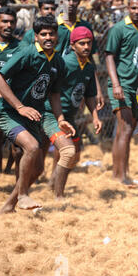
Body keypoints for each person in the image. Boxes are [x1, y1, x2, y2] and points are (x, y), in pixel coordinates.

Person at [0, 15, 75, 213]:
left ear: (57, 36)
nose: (48, 37)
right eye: (43, 34)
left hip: (35, 115)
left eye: (51, 33)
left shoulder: (58, 62)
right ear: (36, 36)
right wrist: (20, 106)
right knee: (32, 147)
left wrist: (61, 118)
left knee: (42, 165)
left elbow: (55, 93)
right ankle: (22, 196)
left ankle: (8, 206)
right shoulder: (27, 53)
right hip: (9, 113)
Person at [41, 26, 102, 198]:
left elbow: (90, 94)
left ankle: (54, 183)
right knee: (59, 154)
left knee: (72, 153)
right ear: (72, 45)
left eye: (89, 43)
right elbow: (52, 90)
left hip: (69, 116)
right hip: (52, 113)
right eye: (81, 43)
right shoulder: (64, 63)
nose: (86, 47)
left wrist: (95, 116)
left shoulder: (89, 67)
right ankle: (57, 195)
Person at [105, 0, 138, 185]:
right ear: (127, 8)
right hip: (122, 85)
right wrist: (116, 84)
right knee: (124, 129)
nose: (137, 11)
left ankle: (121, 172)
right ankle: (120, 176)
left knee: (127, 131)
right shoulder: (119, 29)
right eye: (133, 7)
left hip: (137, 89)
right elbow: (109, 56)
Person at [0, 7, 21, 188]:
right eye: (4, 21)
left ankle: (19, 188)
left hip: (13, 105)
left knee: (18, 149)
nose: (8, 25)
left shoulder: (21, 48)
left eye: (11, 22)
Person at [57, 0, 105, 110]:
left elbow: (90, 59)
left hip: (79, 81)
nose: (70, 3)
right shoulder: (54, 26)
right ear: (60, 2)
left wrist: (97, 89)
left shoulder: (85, 26)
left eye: (74, 0)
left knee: (76, 115)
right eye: (67, 0)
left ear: (79, 2)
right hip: (58, 81)